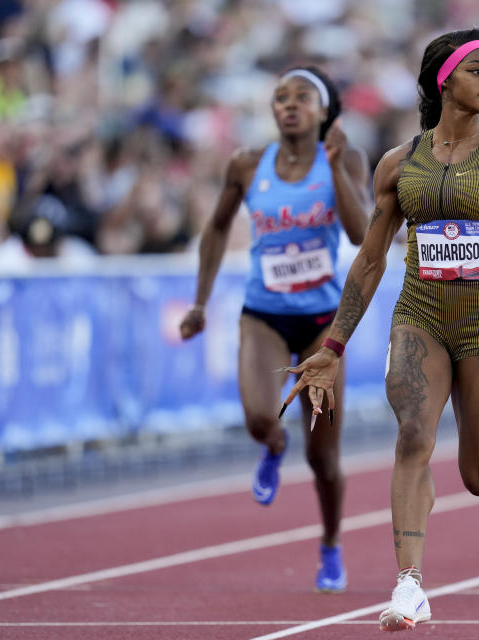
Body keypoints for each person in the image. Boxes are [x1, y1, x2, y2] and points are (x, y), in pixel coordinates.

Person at [280, 29, 479, 631]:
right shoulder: (399, 165)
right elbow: (370, 260)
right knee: (413, 437)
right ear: (445, 80)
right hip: (418, 316)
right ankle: (409, 585)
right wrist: (333, 346)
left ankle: (455, 495)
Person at [179, 65, 370, 593]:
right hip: (263, 313)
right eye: (280, 97)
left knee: (324, 458)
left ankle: (330, 544)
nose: (288, 104)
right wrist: (200, 302)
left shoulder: (346, 159)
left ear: (324, 110)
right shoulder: (246, 165)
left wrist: (333, 166)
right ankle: (273, 444)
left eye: (302, 97)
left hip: (322, 325)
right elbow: (217, 227)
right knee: (261, 418)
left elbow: (359, 231)